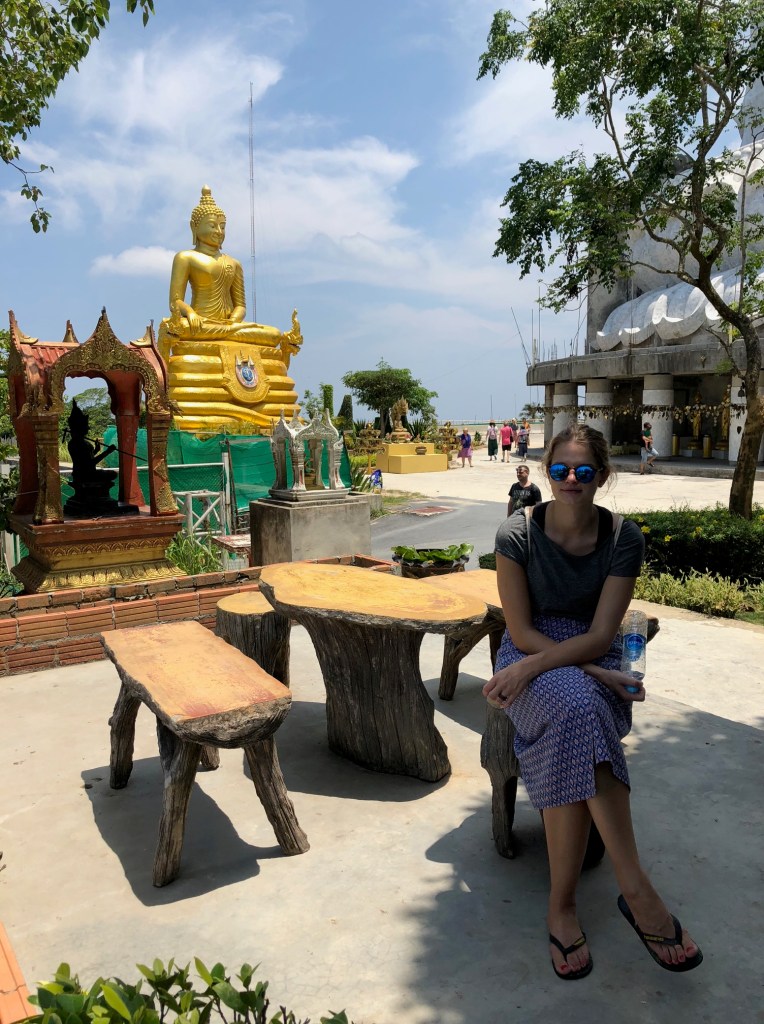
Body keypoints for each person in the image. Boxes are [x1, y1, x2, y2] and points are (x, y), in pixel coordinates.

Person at [483, 423, 702, 981]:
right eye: (560, 470)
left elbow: (603, 633)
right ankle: (637, 891)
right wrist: (578, 671)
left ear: (602, 476)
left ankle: (562, 907)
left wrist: (582, 667)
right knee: (580, 708)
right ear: (547, 473)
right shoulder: (517, 534)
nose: (571, 480)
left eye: (584, 471)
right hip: (532, 651)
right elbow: (521, 631)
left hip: (583, 651)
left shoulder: (623, 538)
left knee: (576, 716)